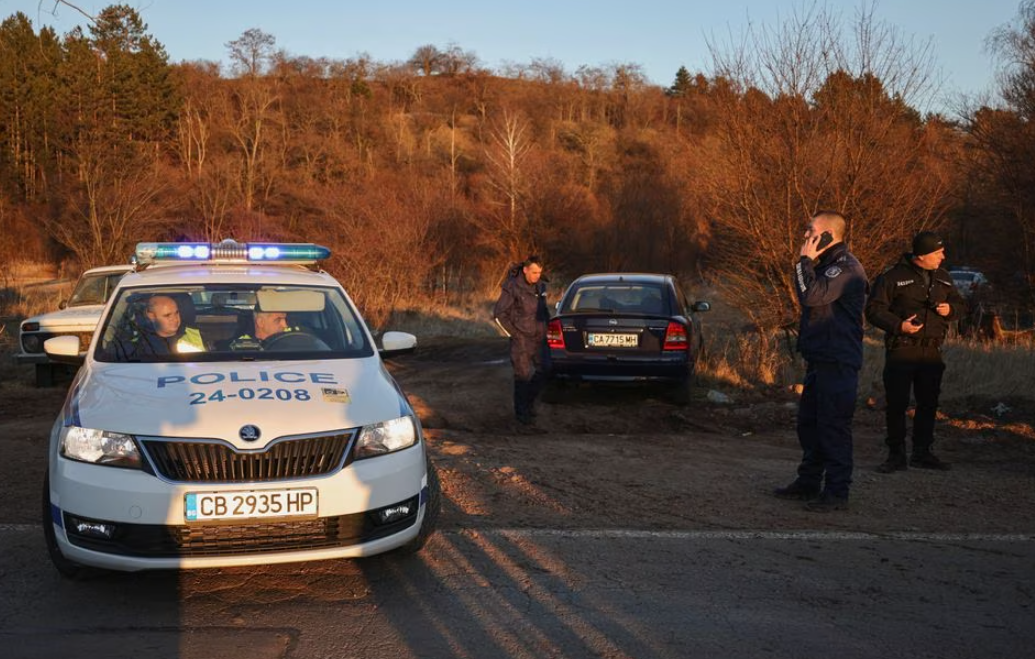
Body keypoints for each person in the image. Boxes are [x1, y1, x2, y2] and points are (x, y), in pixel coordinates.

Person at [774, 211, 868, 512]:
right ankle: (808, 482)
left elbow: (812, 297)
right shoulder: (828, 266)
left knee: (833, 426)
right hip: (821, 358)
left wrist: (803, 262)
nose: (805, 236)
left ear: (827, 235)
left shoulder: (845, 268)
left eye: (810, 231)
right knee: (810, 424)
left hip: (838, 360)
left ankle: (837, 492)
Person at [865, 230, 964, 472]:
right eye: (938, 252)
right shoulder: (891, 278)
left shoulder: (944, 278)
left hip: (931, 352)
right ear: (922, 255)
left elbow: (962, 305)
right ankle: (896, 455)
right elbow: (874, 310)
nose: (943, 256)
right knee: (897, 404)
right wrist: (899, 326)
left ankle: (922, 453)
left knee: (928, 403)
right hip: (902, 350)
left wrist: (949, 310)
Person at [493, 255, 550, 425]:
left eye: (539, 272)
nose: (537, 276)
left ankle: (528, 403)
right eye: (533, 272)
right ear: (525, 270)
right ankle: (521, 415)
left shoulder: (541, 286)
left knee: (546, 369)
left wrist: (547, 326)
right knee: (523, 376)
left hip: (539, 338)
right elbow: (499, 314)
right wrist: (515, 335)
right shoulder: (512, 287)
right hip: (521, 339)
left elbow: (543, 310)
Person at [122, 294, 205, 357]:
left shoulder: (195, 335)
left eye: (176, 313)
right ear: (152, 316)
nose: (174, 318)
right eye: (167, 315)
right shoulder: (137, 344)